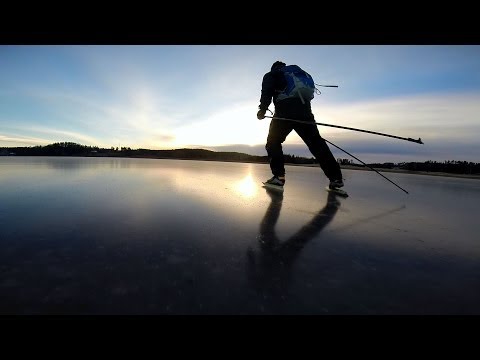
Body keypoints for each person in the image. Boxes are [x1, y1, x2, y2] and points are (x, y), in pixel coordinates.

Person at [257, 61, 344, 191]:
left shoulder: (272, 74)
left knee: (273, 142)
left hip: (284, 110)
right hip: (305, 111)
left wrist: (262, 109)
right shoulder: (298, 73)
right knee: (316, 143)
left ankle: (278, 177)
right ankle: (336, 178)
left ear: (274, 67)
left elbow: (267, 91)